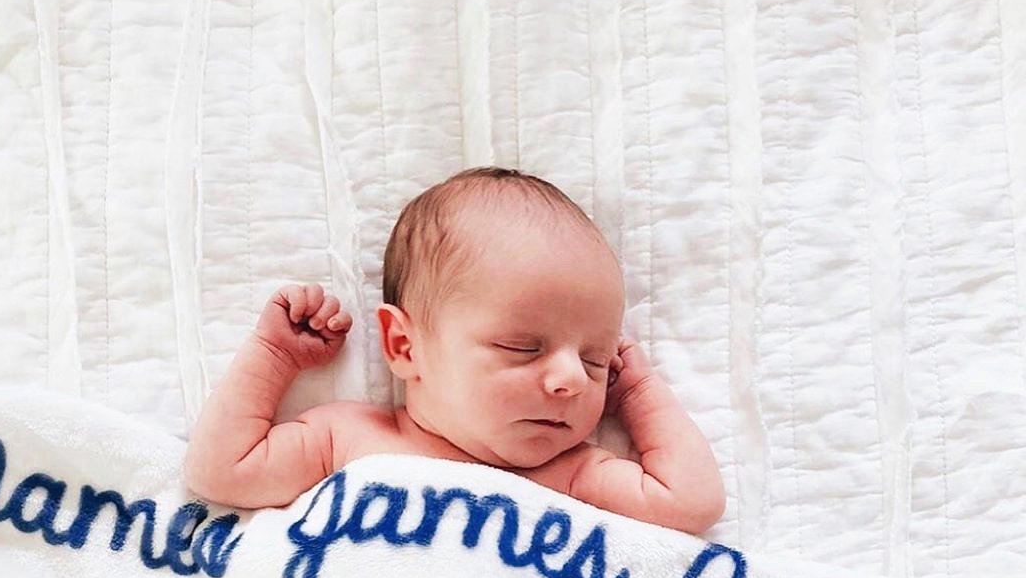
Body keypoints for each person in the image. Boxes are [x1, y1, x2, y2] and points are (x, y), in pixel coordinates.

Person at [185, 167, 725, 532]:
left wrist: (641, 393)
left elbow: (691, 503)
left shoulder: (572, 473)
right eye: (522, 347)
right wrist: (273, 359)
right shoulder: (347, 437)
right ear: (404, 345)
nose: (572, 380)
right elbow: (220, 471)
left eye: (594, 359)